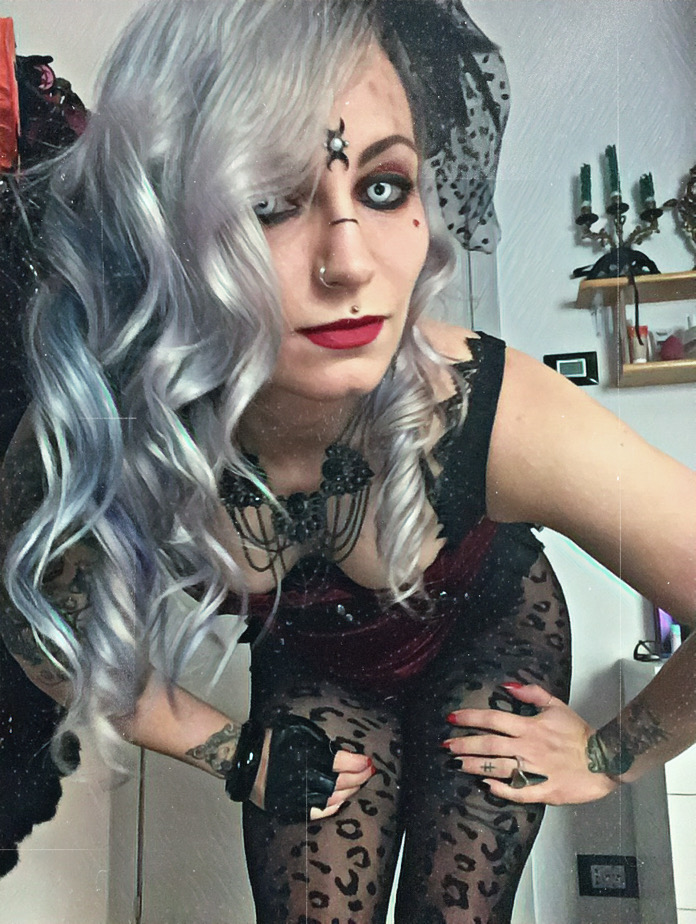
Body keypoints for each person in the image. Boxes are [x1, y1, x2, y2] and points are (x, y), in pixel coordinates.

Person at [0, 1, 694, 922]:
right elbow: (44, 628)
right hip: (319, 665)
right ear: (161, 220)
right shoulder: (101, 425)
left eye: (384, 187)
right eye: (268, 201)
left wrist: (613, 757)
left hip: (490, 636)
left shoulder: (490, 413)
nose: (350, 262)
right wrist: (231, 751)